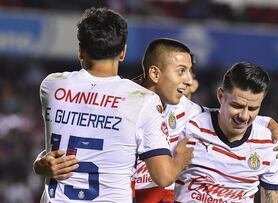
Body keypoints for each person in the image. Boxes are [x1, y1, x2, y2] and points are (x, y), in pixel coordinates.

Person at [34, 39, 278, 202]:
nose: (190, 81)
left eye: (190, 73)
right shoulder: (120, 103)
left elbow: (223, 116)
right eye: (182, 72)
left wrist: (269, 123)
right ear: (156, 73)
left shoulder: (189, 114)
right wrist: (41, 164)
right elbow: (71, 148)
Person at [36, 8, 193, 203]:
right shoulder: (142, 100)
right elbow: (163, 176)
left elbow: (66, 141)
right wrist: (181, 158)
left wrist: (39, 164)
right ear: (123, 52)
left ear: (81, 51)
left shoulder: (52, 86)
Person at [174, 61, 278, 203]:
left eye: (252, 109)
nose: (244, 116)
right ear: (221, 96)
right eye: (237, 106)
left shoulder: (271, 144)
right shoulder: (189, 128)